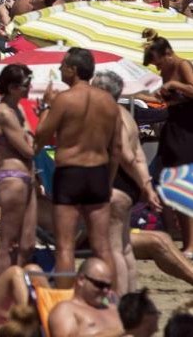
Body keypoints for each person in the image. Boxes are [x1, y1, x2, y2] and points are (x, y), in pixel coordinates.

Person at [34, 47, 121, 282]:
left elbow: (41, 137)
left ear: (73, 70)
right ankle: (108, 298)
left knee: (65, 246)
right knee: (102, 246)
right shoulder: (108, 101)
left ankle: (64, 297)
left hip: (70, 172)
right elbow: (116, 149)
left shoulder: (64, 99)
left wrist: (45, 107)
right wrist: (109, 180)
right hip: (98, 173)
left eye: (63, 65)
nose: (60, 69)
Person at [94, 70, 162, 295]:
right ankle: (129, 294)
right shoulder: (126, 114)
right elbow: (139, 155)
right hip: (128, 185)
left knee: (112, 246)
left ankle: (121, 298)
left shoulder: (111, 115)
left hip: (118, 182)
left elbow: (124, 152)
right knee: (123, 246)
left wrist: (142, 183)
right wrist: (145, 184)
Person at [146, 30, 193, 256]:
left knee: (181, 184)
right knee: (164, 181)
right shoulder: (168, 71)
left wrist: (175, 84)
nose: (157, 69)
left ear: (167, 54)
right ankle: (177, 234)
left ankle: (189, 244)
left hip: (186, 131)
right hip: (174, 129)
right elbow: (176, 101)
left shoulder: (182, 65)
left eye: (157, 64)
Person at [0, 63, 36, 274]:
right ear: (12, 87)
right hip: (12, 177)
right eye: (26, 84)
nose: (30, 88)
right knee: (8, 243)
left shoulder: (18, 109)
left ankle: (17, 287)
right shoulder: (4, 113)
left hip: (27, 177)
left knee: (27, 243)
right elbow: (28, 149)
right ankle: (3, 291)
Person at [46, 257, 123, 337]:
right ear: (81, 280)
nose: (106, 291)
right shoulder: (65, 309)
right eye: (100, 285)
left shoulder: (114, 309)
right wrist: (119, 331)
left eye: (108, 286)